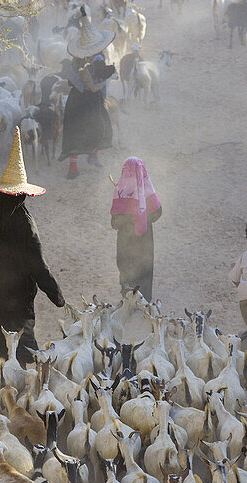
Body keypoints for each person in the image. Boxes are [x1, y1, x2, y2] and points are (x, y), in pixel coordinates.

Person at [0, 128, 66, 370]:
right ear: (22, 195)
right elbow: (38, 264)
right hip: (19, 303)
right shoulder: (26, 224)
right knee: (22, 353)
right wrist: (56, 295)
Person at [60, 10, 116, 180]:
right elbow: (101, 76)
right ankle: (94, 156)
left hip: (75, 99)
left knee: (75, 130)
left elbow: (71, 81)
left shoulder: (76, 61)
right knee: (99, 126)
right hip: (91, 100)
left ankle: (74, 168)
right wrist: (111, 71)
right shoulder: (98, 58)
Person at [110, 157, 162, 299]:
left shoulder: (120, 190)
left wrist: (129, 219)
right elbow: (158, 212)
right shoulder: (147, 188)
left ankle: (128, 301)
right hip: (145, 240)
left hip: (125, 242)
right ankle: (144, 301)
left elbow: (114, 223)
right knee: (144, 270)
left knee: (127, 272)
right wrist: (143, 217)